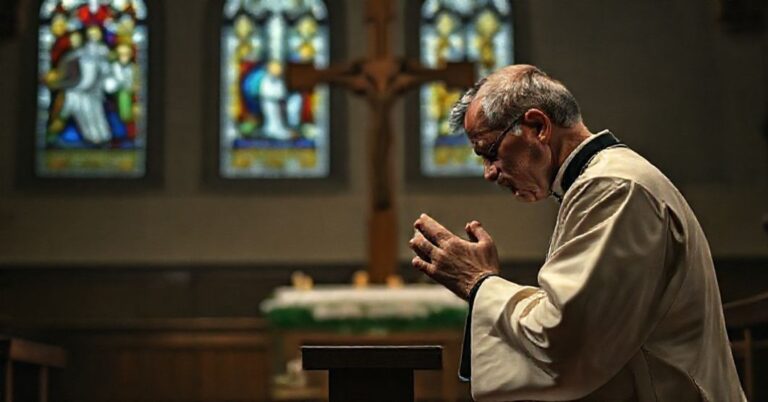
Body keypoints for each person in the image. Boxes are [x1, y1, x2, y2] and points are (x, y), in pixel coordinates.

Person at [409, 64, 746, 401]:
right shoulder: (601, 182)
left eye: (489, 152)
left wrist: (479, 283)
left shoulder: (614, 188)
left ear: (538, 127)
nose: (489, 173)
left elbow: (566, 338)